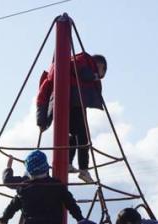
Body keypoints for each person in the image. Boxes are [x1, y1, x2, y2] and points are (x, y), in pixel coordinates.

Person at [36, 53, 107, 182]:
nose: (100, 77)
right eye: (102, 72)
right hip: (74, 102)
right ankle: (84, 170)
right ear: (100, 65)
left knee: (73, 134)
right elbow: (79, 69)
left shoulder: (61, 69)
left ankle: (68, 163)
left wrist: (43, 121)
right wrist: (93, 76)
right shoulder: (84, 60)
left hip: (67, 102)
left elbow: (44, 95)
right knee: (83, 136)